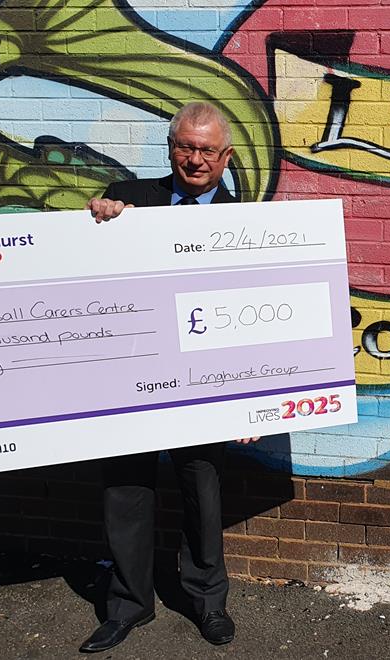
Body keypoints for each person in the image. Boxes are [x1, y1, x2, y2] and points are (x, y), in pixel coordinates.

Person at [80, 102, 258, 653]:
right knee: (126, 491)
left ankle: (209, 602)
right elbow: (81, 274)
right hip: (131, 378)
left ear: (226, 157)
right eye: (186, 146)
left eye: (207, 150)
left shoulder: (248, 224)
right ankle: (127, 604)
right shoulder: (126, 200)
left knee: (201, 492)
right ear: (170, 148)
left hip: (204, 383)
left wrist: (255, 400)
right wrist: (95, 220)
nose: (195, 158)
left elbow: (259, 314)